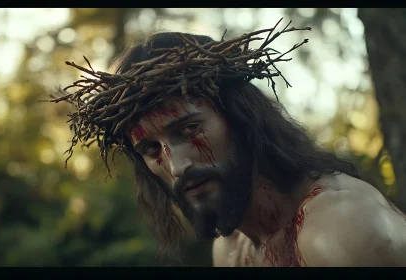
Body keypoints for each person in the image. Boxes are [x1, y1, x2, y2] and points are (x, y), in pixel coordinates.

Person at [52, 22, 406, 266]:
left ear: (240, 118)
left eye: (188, 129)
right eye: (151, 149)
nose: (176, 167)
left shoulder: (344, 232)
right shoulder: (232, 247)